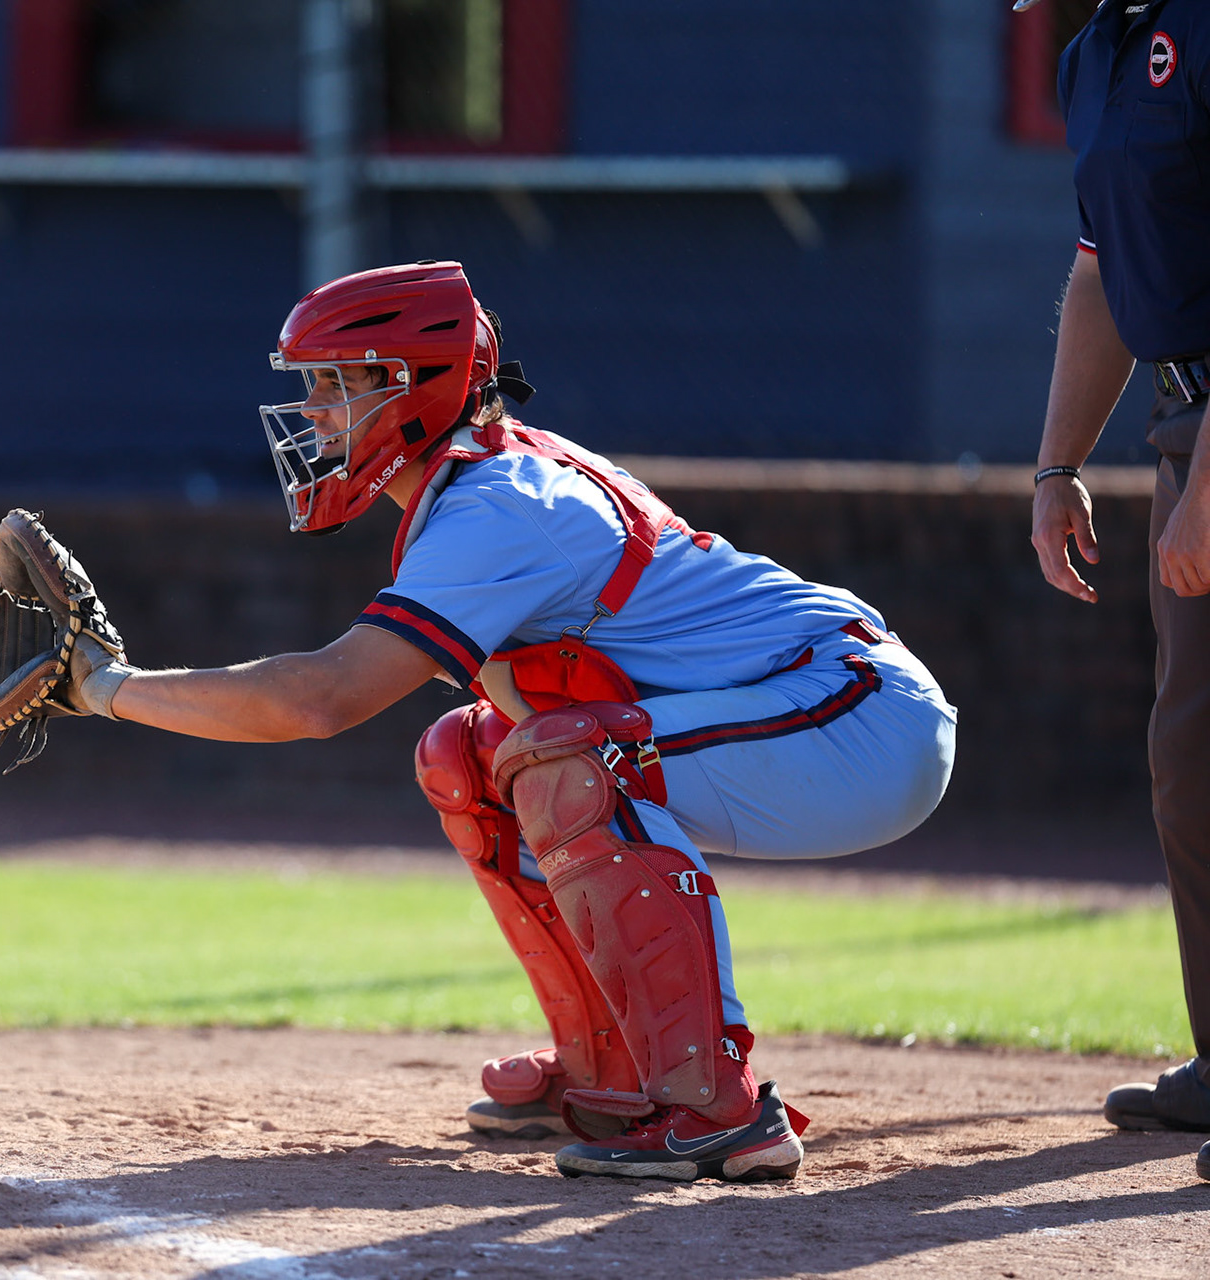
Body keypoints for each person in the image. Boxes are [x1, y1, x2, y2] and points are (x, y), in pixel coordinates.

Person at [61, 260, 957, 1183]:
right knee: (471, 751)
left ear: (417, 386)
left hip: (859, 720)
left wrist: (106, 686)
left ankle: (716, 1109)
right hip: (805, 714)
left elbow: (320, 699)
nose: (317, 410)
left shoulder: (501, 504)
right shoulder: (478, 484)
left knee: (575, 760)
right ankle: (612, 1076)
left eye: (339, 381)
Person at [1026, 0, 1210, 1181]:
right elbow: (1102, 264)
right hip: (1183, 420)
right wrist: (1058, 463)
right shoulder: (1094, 52)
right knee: (1190, 757)